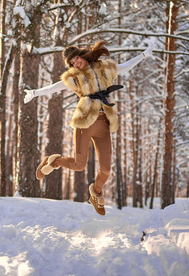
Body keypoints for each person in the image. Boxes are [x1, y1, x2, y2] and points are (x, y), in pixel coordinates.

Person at [23, 40, 152, 215]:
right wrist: (35, 93)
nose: (76, 63)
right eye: (72, 63)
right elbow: (55, 87)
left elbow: (125, 66)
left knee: (106, 169)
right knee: (78, 165)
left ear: (83, 56)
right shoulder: (74, 78)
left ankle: (96, 192)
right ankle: (53, 161)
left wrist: (144, 54)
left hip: (103, 123)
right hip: (85, 122)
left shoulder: (103, 67)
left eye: (77, 59)